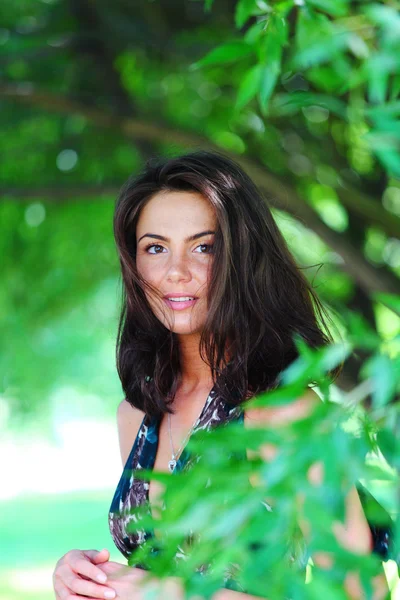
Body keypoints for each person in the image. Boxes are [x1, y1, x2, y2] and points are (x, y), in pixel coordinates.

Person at [53, 150, 395, 600]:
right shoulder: (137, 416)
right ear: (134, 266)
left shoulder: (285, 413)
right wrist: (87, 577)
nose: (176, 271)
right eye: (155, 248)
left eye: (204, 247)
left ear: (242, 258)